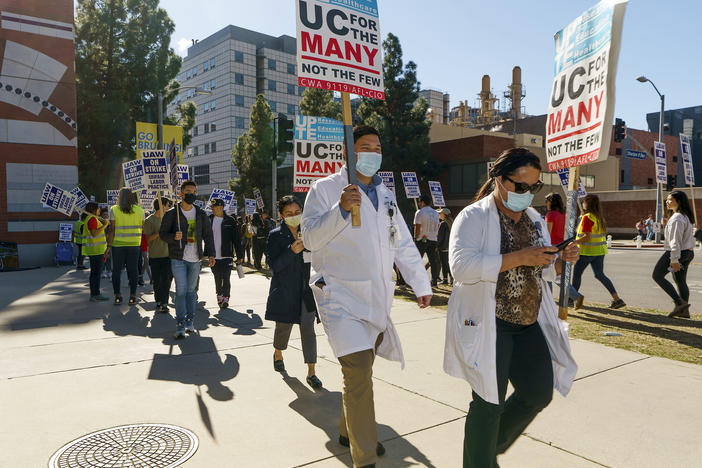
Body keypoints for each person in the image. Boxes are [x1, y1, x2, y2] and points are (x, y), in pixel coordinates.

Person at [302, 125, 432, 468]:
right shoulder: (326, 189)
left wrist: (420, 282)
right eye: (364, 146)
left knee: (360, 371)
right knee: (358, 371)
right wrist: (341, 209)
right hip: (339, 297)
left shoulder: (385, 193)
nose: (373, 152)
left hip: (376, 298)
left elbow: (400, 240)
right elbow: (311, 238)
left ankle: (348, 431)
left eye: (377, 146)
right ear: (349, 150)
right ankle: (364, 456)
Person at [443, 147, 579, 468]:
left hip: (528, 323)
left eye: (534, 188)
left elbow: (543, 269)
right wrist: (521, 257)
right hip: (491, 323)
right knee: (489, 401)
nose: (527, 195)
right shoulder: (473, 217)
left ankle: (487, 445)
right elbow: (461, 268)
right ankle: (480, 459)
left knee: (538, 392)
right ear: (499, 180)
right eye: (521, 187)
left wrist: (560, 260)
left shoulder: (534, 219)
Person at [266, 195, 322, 389]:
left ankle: (311, 371)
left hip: (307, 291)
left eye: (297, 212)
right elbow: (273, 265)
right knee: (283, 327)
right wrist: (291, 251)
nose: (294, 216)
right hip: (285, 291)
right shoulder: (275, 235)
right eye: (289, 213)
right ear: (281, 215)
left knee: (309, 330)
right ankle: (278, 353)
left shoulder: (309, 233)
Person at [159, 180, 215, 338]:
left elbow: (208, 235)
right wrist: (173, 237)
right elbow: (163, 234)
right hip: (178, 258)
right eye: (188, 191)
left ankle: (191, 321)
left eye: (194, 192)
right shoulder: (171, 213)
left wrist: (211, 254)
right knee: (181, 290)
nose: (191, 194)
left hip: (196, 258)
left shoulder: (201, 213)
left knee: (191, 292)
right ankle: (180, 324)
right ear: (181, 193)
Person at [571, 194, 626, 309]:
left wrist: (575, 242)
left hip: (587, 252)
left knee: (577, 274)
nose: (582, 204)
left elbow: (587, 237)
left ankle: (571, 299)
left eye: (584, 202)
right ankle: (617, 299)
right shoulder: (597, 217)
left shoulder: (587, 218)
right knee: (600, 275)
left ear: (587, 203)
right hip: (599, 252)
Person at [653, 191, 696, 318]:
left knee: (658, 275)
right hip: (687, 254)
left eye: (670, 200)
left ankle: (679, 303)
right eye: (667, 199)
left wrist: (674, 259)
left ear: (679, 202)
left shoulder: (677, 218)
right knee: (680, 280)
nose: (667, 201)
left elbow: (675, 241)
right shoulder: (685, 216)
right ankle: (684, 311)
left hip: (677, 254)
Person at [544, 193, 584, 308]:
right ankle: (576, 296)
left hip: (553, 247)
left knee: (548, 276)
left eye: (547, 201)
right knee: (559, 277)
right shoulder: (564, 214)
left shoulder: (550, 215)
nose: (546, 204)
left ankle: (549, 303)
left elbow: (547, 233)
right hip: (564, 248)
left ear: (551, 202)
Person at [107, 187, 144, 305]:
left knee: (116, 271)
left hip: (118, 245)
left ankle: (117, 296)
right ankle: (133, 296)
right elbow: (143, 228)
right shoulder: (140, 210)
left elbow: (112, 230)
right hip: (134, 245)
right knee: (133, 271)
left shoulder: (114, 209)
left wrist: (108, 246)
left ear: (120, 197)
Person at [208, 198, 244, 309]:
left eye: (214, 207)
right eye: (211, 207)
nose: (212, 209)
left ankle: (226, 298)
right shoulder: (209, 220)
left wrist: (240, 255)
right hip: (213, 256)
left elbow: (236, 239)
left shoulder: (230, 220)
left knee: (226, 277)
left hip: (227, 255)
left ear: (221, 207)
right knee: (217, 277)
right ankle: (219, 294)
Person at [144, 197, 173, 314]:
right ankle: (158, 301)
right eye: (167, 205)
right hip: (155, 256)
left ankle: (164, 303)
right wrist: (159, 232)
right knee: (157, 280)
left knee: (166, 280)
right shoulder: (149, 220)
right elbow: (148, 239)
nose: (169, 207)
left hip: (168, 255)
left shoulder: (169, 219)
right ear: (162, 206)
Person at [81, 202, 108, 301]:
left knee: (95, 273)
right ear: (93, 210)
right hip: (96, 251)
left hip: (95, 250)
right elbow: (94, 233)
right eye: (98, 209)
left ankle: (95, 293)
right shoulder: (92, 219)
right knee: (96, 273)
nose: (99, 210)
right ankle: (95, 293)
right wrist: (105, 225)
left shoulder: (91, 218)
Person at [414, 193, 440, 287]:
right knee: (433, 261)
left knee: (417, 260)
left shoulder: (420, 212)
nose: (419, 203)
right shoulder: (436, 213)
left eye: (420, 201)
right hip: (433, 239)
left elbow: (417, 227)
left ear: (423, 202)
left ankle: (416, 280)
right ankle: (434, 281)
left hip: (422, 238)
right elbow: (437, 226)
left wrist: (416, 238)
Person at [436, 207, 453, 285]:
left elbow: (440, 237)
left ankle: (445, 280)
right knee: (448, 263)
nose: (439, 214)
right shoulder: (451, 222)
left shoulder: (443, 224)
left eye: (440, 213)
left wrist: (437, 245)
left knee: (444, 264)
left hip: (443, 246)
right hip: (450, 246)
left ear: (444, 214)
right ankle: (451, 279)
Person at [100, 207, 112, 279]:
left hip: (109, 243)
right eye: (104, 215)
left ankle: (109, 271)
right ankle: (102, 271)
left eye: (107, 215)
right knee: (102, 257)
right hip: (101, 243)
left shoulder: (110, 223)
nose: (106, 216)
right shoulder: (100, 223)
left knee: (108, 257)